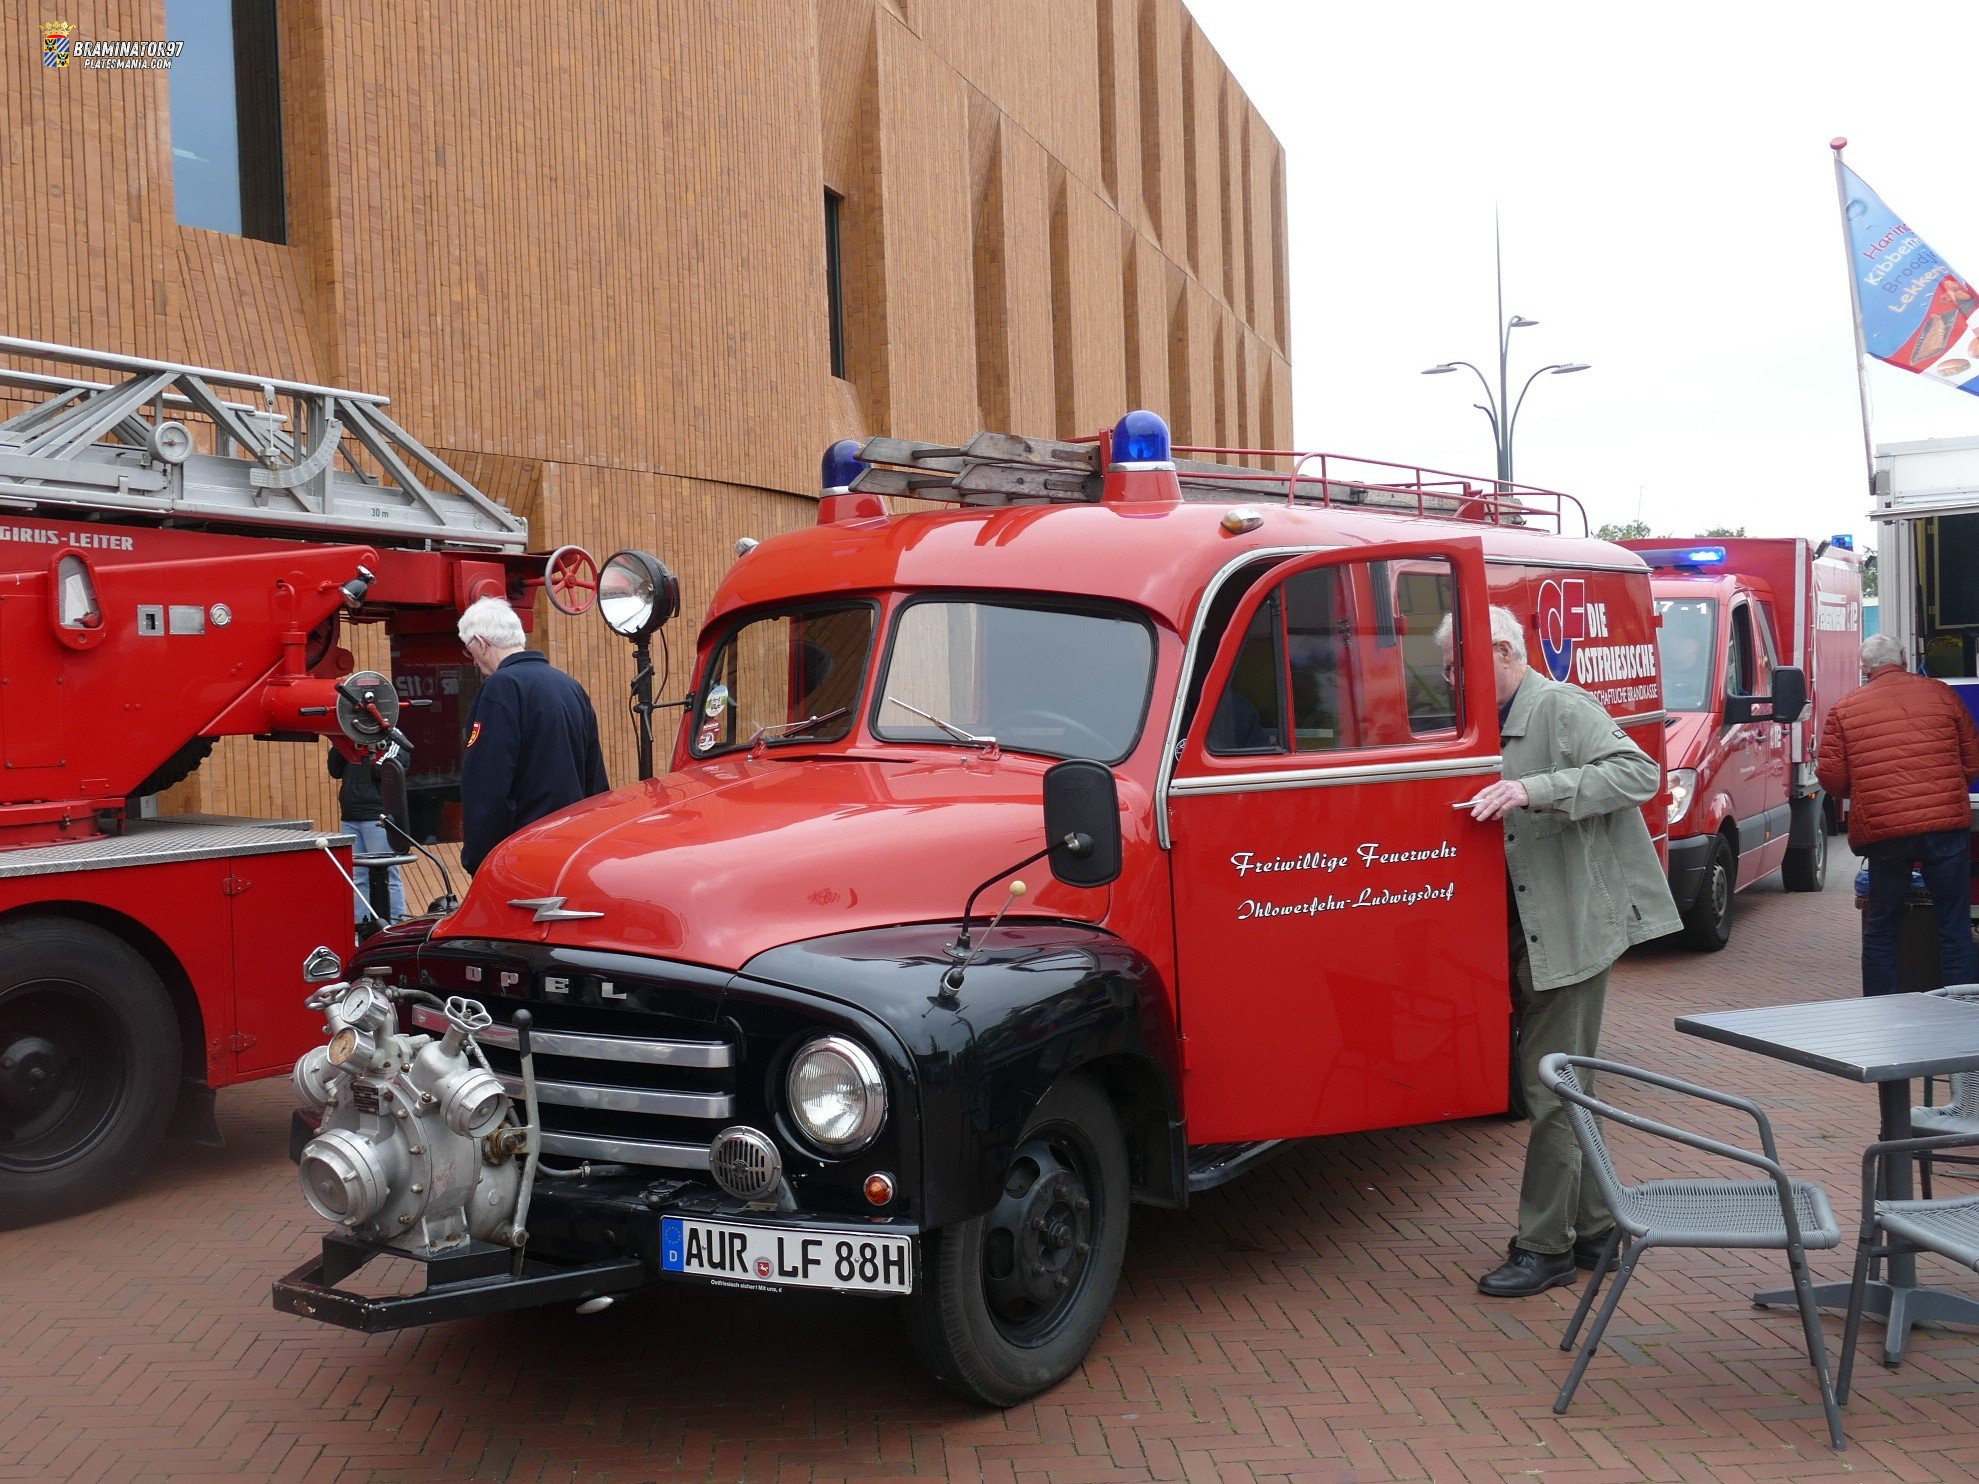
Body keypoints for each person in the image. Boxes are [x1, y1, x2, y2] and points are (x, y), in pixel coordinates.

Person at [1437, 604, 1681, 1298]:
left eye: (1461, 665)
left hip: (1570, 926)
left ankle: (1543, 1246)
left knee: (1551, 1087)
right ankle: (1597, 1228)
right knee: (1565, 1082)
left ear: (1505, 653)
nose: (1452, 679)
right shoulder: (1480, 719)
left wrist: (1533, 789)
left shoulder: (1560, 707)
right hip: (1525, 925)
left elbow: (1637, 774)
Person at [1815, 632, 1979, 994]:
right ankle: (1961, 1009)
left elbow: (1831, 776)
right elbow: (1972, 762)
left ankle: (1881, 1009)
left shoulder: (1845, 708)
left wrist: (1866, 794)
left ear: (1864, 667)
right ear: (1904, 657)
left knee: (1882, 924)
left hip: (1885, 832)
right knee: (1952, 923)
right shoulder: (1942, 694)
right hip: (1944, 826)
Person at [457, 596, 611, 873]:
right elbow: (595, 780)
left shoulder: (501, 687)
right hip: (572, 853)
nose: (473, 660)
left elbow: (488, 783)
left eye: (469, 651)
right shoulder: (569, 686)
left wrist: (478, 860)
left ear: (480, 642)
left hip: (523, 856)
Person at [327, 746, 406, 925]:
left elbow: (381, 770)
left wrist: (366, 744)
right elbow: (335, 769)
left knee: (389, 874)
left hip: (377, 817)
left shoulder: (393, 738)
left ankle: (395, 926)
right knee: (358, 876)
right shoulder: (351, 736)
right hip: (350, 817)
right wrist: (343, 742)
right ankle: (362, 928)